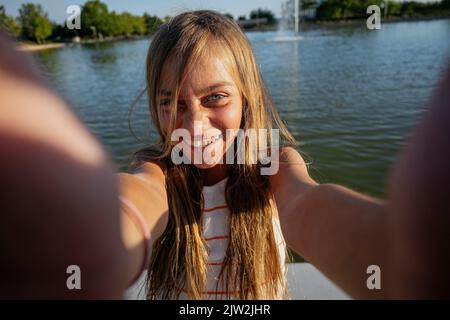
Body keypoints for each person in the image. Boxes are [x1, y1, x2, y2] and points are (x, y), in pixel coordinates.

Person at [0, 10, 449, 299]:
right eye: (172, 102)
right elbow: (138, 197)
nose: (194, 126)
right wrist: (84, 243)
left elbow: (304, 205)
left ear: (247, 98)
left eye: (215, 98)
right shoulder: (157, 167)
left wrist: (404, 260)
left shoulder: (271, 162)